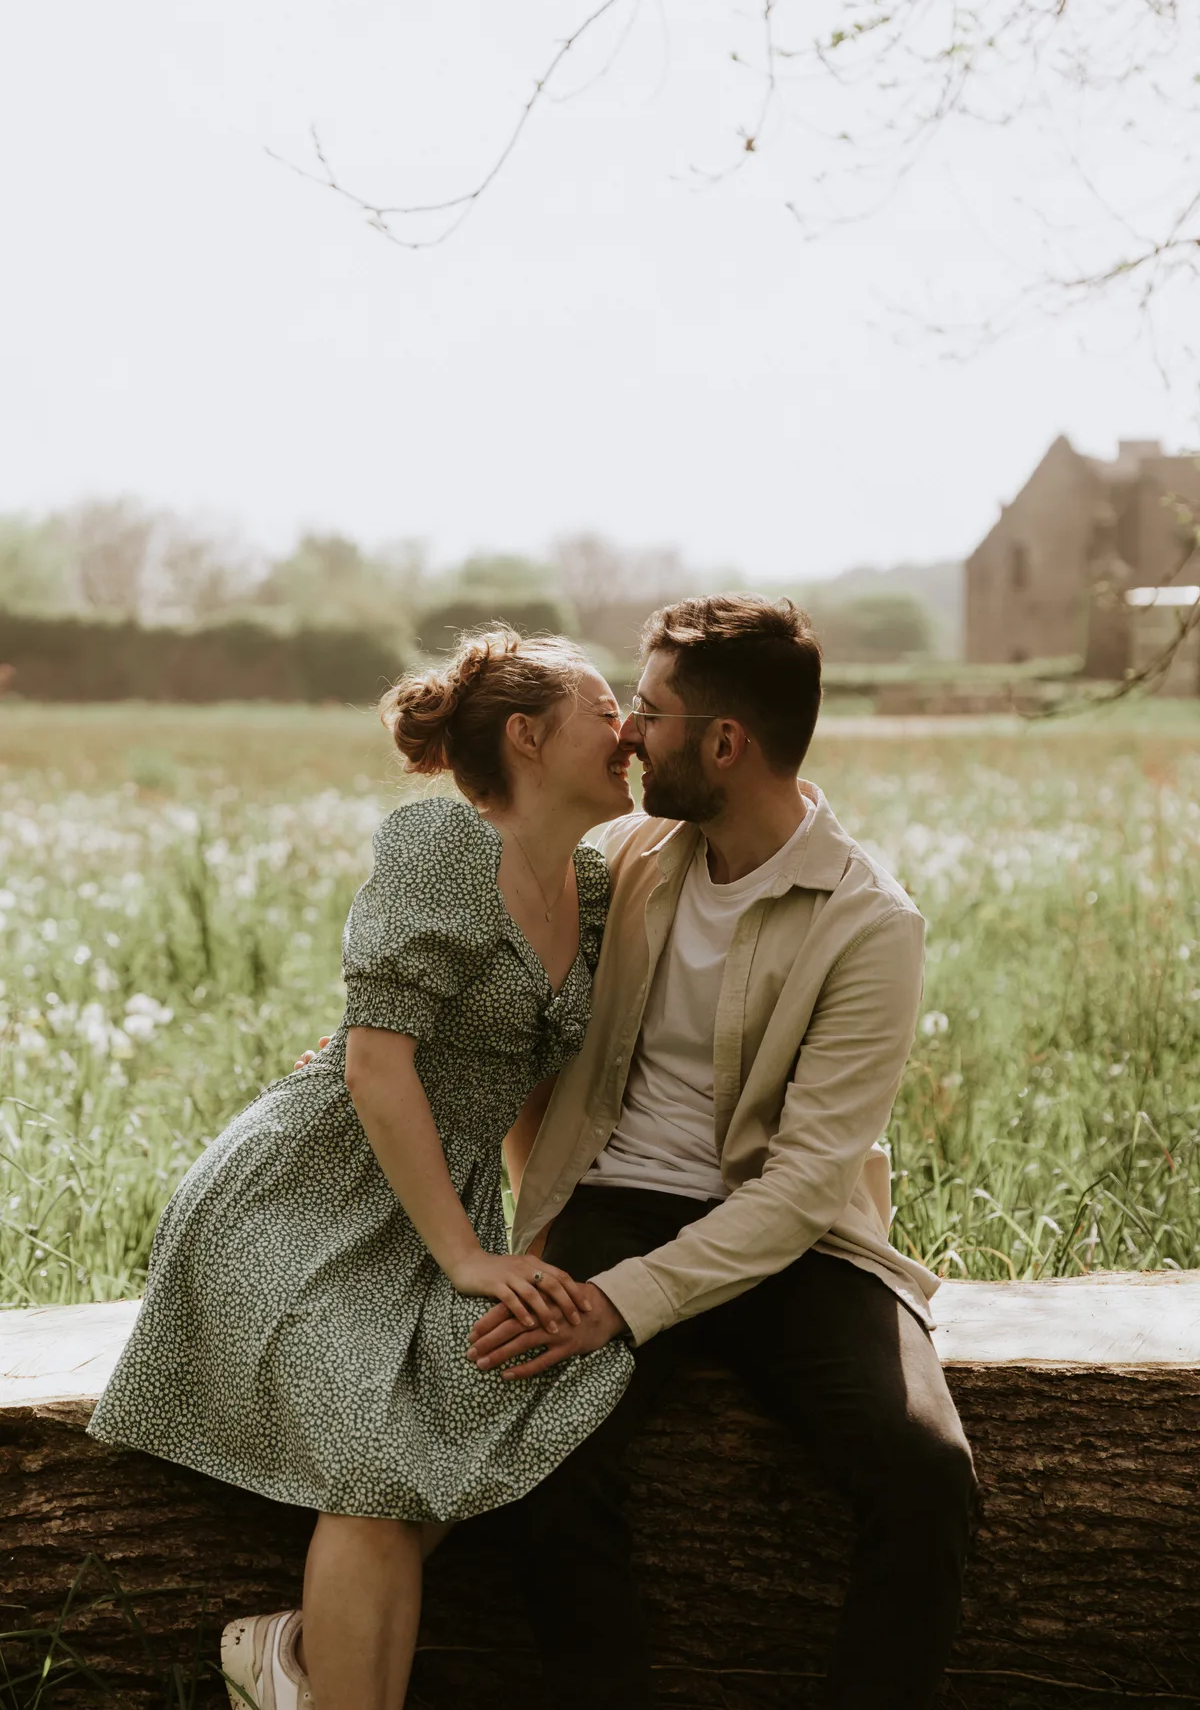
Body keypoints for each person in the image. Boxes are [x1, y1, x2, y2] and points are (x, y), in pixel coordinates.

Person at [88, 628, 638, 1710]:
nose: (627, 730)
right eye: (605, 706)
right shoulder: (441, 845)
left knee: (544, 1365)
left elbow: (528, 1089)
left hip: (442, 1202)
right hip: (303, 1198)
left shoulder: (594, 886)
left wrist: (526, 1246)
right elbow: (380, 1067)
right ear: (527, 737)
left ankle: (296, 1656)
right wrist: (472, 1258)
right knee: (384, 1438)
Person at [464, 594, 981, 1710]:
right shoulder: (630, 857)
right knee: (537, 1456)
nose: (626, 734)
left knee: (928, 1476)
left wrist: (620, 1305)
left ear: (725, 743)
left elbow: (801, 1188)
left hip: (797, 1242)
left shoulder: (868, 921)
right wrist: (388, 1050)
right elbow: (502, 987)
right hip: (614, 1202)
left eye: (648, 710)